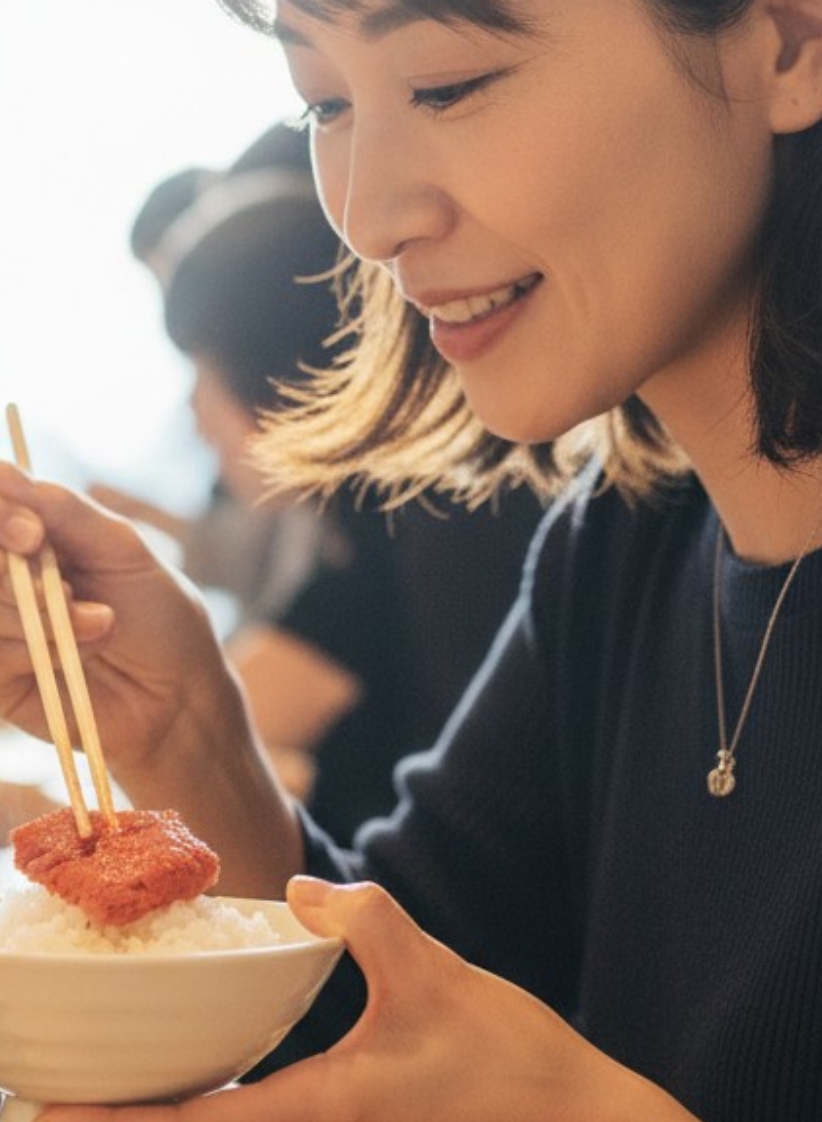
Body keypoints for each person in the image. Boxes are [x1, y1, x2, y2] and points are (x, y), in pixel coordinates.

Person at [0, 0, 822, 1122]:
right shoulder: (624, 543)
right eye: (324, 103)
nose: (370, 215)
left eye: (447, 83)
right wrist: (186, 732)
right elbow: (378, 1008)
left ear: (791, 38)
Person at [100, 122, 545, 837]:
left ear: (278, 373)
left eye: (204, 376)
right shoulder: (379, 520)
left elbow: (228, 727)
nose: (195, 415)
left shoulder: (418, 520)